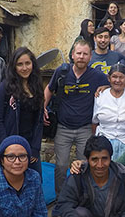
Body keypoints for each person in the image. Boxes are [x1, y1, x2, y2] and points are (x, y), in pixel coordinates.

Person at [44, 38, 109, 192]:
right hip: (63, 127)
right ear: (72, 54)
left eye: (85, 54)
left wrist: (106, 86)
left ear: (90, 56)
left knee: (84, 165)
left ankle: (82, 196)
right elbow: (49, 88)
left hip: (85, 128)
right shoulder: (62, 72)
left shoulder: (97, 76)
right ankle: (61, 198)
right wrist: (43, 108)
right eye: (78, 53)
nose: (81, 57)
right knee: (61, 166)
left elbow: (116, 84)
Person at [0, 47, 45, 174]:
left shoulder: (37, 86)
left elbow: (39, 122)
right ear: (14, 66)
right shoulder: (5, 87)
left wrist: (35, 148)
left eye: (28, 63)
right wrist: (6, 147)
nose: (24, 68)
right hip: (11, 147)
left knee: (34, 181)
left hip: (30, 147)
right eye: (20, 64)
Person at [92, 64, 125, 160]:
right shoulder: (100, 95)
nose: (117, 80)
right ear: (109, 78)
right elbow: (95, 122)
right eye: (114, 77)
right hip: (104, 143)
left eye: (121, 77)